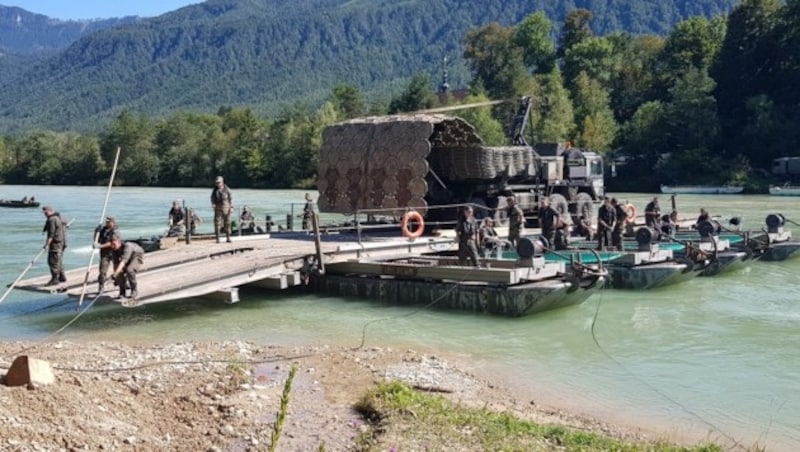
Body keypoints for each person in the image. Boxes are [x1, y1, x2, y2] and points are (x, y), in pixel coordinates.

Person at [109, 234, 145, 300]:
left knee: (129, 270)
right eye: (111, 244)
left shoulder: (127, 246)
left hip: (136, 255)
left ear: (119, 242)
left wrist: (116, 273)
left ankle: (134, 290)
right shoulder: (114, 250)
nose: (112, 246)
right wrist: (116, 276)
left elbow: (123, 261)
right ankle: (122, 292)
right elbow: (115, 264)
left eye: (114, 244)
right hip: (126, 258)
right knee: (119, 272)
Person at [41, 206, 67, 286]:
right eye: (44, 213)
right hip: (62, 242)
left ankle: (55, 279)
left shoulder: (52, 220)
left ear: (50, 211)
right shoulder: (59, 218)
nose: (45, 214)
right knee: (58, 260)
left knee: (52, 261)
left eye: (46, 212)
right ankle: (62, 277)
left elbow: (51, 234)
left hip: (56, 243)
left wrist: (46, 245)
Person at [93, 216, 118, 292]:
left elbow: (111, 243)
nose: (107, 223)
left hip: (115, 252)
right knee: (102, 271)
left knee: (118, 269)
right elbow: (96, 239)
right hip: (105, 253)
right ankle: (101, 286)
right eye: (106, 222)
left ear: (113, 222)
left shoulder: (115, 231)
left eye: (108, 222)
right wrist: (96, 232)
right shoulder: (103, 230)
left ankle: (120, 282)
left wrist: (100, 246)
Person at [211, 176, 233, 243]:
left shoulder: (227, 190)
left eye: (219, 182)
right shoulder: (214, 190)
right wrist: (213, 204)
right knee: (217, 224)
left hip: (226, 209)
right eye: (217, 183)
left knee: (228, 223)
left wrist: (231, 208)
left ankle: (228, 238)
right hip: (218, 209)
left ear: (222, 182)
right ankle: (218, 239)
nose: (218, 184)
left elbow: (231, 199)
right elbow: (212, 198)